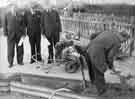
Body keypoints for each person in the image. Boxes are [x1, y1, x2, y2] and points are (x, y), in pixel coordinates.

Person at [87, 30, 130, 95]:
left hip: (90, 48)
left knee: (93, 69)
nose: (124, 42)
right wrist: (110, 66)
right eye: (125, 40)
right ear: (124, 37)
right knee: (100, 71)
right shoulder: (117, 42)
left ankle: (94, 84)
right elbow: (110, 56)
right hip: (97, 52)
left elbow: (93, 35)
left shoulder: (110, 32)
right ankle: (102, 91)